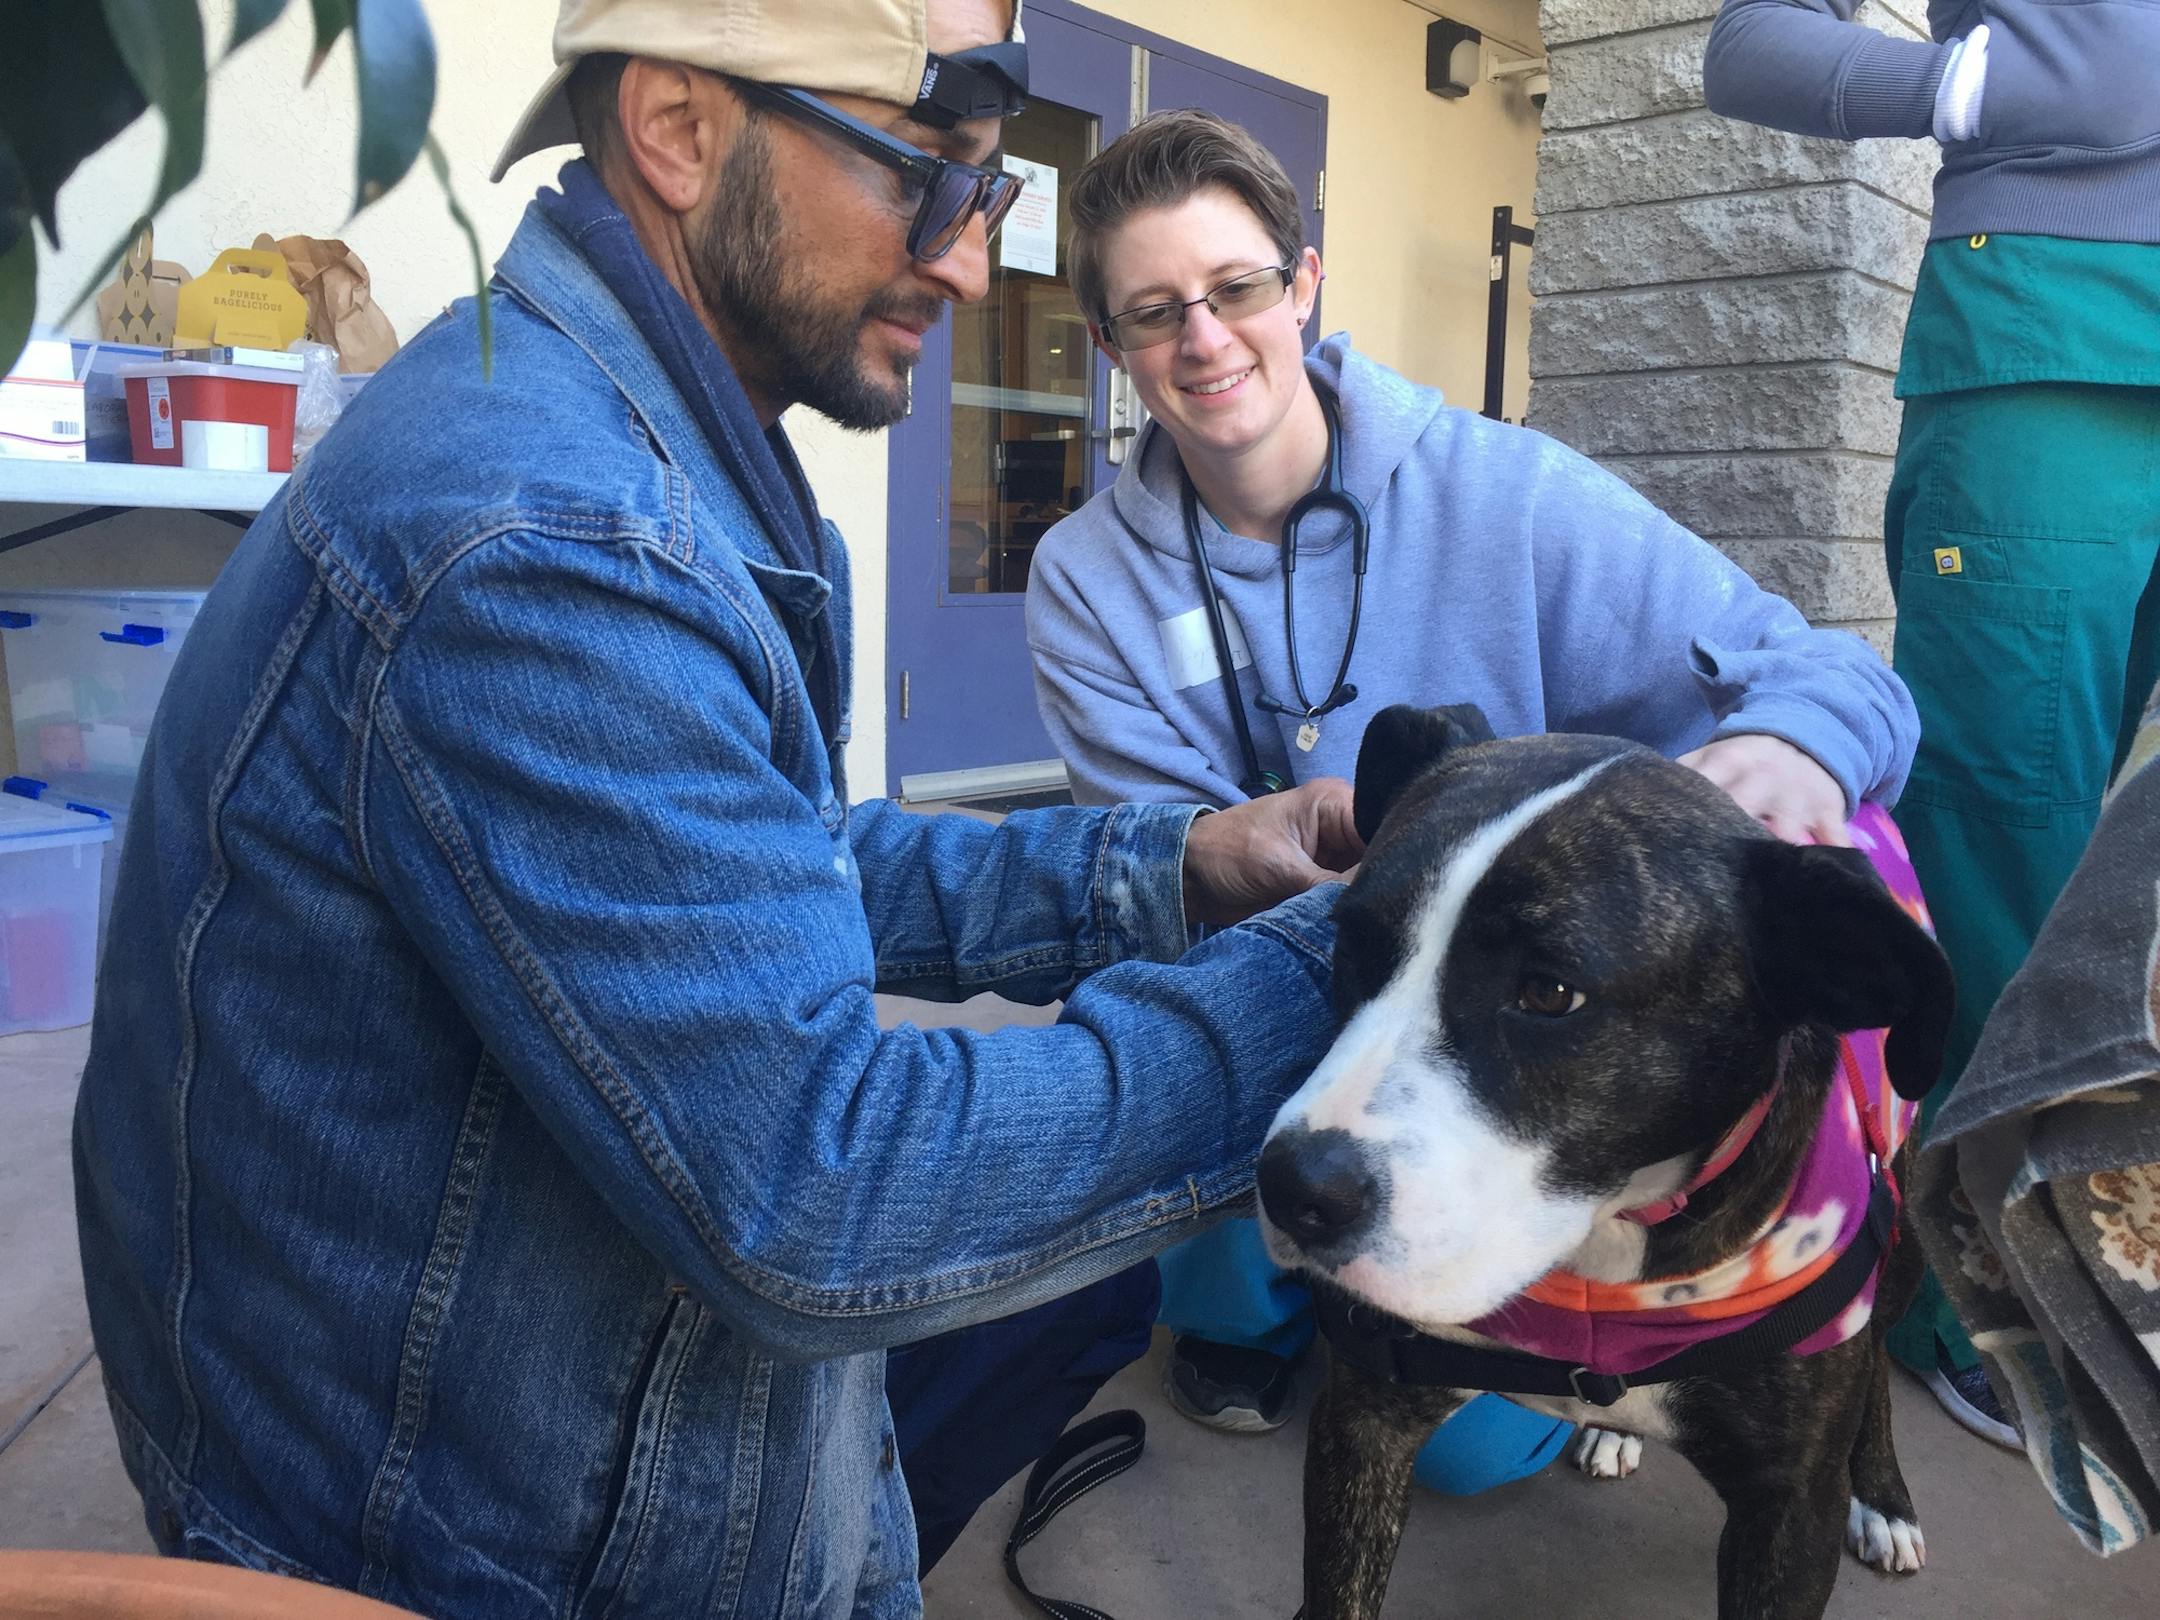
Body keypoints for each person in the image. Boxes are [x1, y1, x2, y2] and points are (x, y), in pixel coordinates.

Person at [68, 5, 1367, 1616]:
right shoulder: (549, 538)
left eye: (991, 198)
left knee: (1072, 1308)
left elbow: (768, 867)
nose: (968, 267)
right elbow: (814, 1200)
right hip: (477, 1544)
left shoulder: (651, 436)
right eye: (931, 178)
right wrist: (1358, 977)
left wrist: (1175, 867)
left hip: (586, 1401)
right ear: (681, 130)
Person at [1025, 110, 1919, 1490]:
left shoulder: (1508, 492)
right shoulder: (1085, 576)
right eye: (1153, 312)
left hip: (1497, 1026)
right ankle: (1245, 1306)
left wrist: (1799, 745)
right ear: (1110, 347)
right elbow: (1158, 866)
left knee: (1464, 1456)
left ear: (1303, 282)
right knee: (1168, 1041)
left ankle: (1387, 1289)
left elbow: (1828, 674)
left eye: (1236, 288)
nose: (1203, 339)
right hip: (1291, 985)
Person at [1704, 0, 2160, 1449]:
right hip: (2056, 334)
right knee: (2003, 856)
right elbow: (1750, 41)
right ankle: (1963, 1292)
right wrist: (1971, 84)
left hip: (2062, 316)